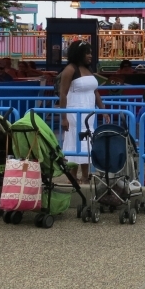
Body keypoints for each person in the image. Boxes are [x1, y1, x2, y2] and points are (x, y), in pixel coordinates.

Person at [58, 41, 103, 184]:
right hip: (74, 110)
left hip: (89, 111)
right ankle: (72, 176)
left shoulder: (88, 69)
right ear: (78, 54)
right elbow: (63, 94)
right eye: (87, 53)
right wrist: (63, 117)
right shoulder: (70, 69)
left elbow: (95, 92)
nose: (90, 56)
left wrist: (103, 110)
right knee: (75, 140)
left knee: (87, 140)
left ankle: (85, 175)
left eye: (90, 53)